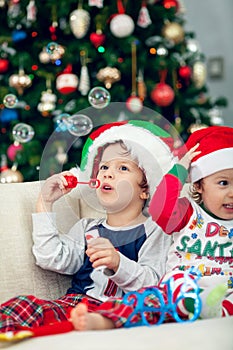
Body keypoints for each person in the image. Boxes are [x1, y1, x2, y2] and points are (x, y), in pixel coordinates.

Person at [0, 120, 175, 335]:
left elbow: (152, 284)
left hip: (123, 309)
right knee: (23, 306)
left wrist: (118, 264)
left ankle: (80, 328)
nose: (108, 174)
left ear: (146, 189)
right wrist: (45, 203)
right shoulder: (87, 228)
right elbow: (50, 257)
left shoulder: (155, 231)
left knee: (148, 309)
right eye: (104, 167)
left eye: (122, 167)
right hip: (76, 305)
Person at [69, 125, 233, 331]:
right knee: (147, 303)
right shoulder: (188, 213)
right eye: (223, 183)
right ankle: (105, 320)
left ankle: (214, 313)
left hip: (225, 291)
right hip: (179, 288)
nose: (231, 193)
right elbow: (160, 209)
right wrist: (180, 170)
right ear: (199, 185)